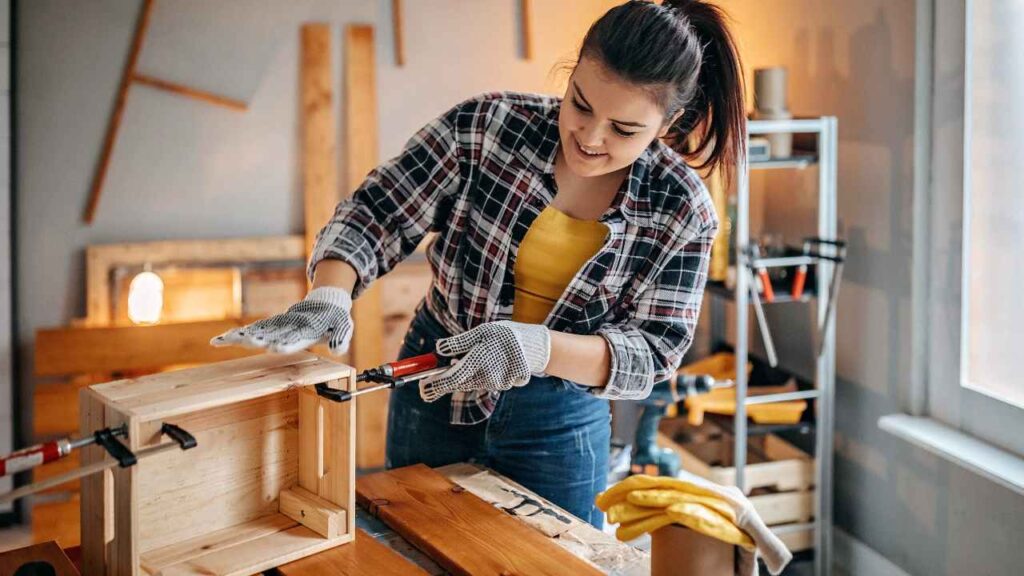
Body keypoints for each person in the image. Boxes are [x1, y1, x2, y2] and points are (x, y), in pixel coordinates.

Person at [212, 0, 745, 528]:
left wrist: (536, 347)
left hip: (559, 416)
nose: (590, 137)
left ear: (669, 121)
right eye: (580, 104)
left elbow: (653, 352)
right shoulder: (487, 127)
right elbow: (379, 211)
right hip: (438, 378)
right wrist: (329, 290)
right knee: (419, 545)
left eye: (624, 130)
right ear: (572, 72)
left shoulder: (682, 207)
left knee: (552, 563)